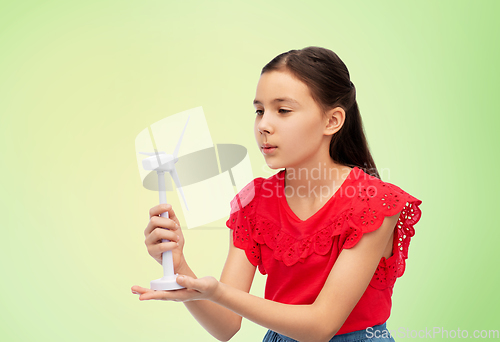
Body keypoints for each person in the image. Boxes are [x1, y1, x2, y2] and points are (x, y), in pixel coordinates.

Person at [131, 46, 423, 342]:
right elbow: (225, 326)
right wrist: (179, 266)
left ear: (332, 120)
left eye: (283, 110)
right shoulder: (255, 202)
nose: (263, 125)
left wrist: (219, 292)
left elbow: (321, 326)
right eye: (259, 111)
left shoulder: (375, 203)